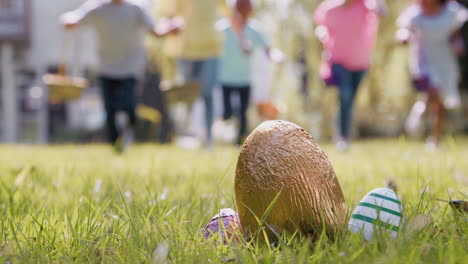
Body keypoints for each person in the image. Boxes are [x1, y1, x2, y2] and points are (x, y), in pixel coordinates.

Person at [60, 0, 179, 151]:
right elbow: (77, 17)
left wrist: (170, 27)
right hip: (106, 67)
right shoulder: (97, 7)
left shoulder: (136, 9)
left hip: (131, 67)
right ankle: (116, 145)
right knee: (109, 110)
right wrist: (68, 19)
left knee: (128, 104)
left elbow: (155, 31)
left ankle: (131, 125)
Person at [313, 0, 387, 151]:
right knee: (345, 95)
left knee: (349, 100)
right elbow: (320, 25)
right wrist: (322, 34)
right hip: (337, 60)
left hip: (360, 62)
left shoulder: (366, 6)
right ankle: (343, 137)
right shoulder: (330, 8)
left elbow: (382, 12)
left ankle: (341, 130)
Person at [397, 0, 468, 148]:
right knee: (433, 91)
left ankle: (435, 138)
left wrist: (458, 44)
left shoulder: (451, 12)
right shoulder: (415, 13)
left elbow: (455, 34)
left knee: (439, 103)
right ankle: (419, 113)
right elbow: (405, 28)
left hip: (445, 62)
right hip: (423, 63)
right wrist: (404, 36)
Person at [159, 0, 225, 148]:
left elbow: (231, 13)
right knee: (189, 95)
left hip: (211, 48)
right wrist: (169, 25)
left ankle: (208, 138)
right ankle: (186, 135)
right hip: (186, 49)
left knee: (207, 93)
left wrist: (241, 38)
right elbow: (169, 15)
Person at [218, 0, 283, 145]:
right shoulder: (223, 28)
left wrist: (276, 57)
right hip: (226, 78)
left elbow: (268, 49)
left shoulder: (254, 30)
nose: (244, 11)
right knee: (228, 112)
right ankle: (229, 123)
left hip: (245, 79)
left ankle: (239, 141)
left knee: (243, 113)